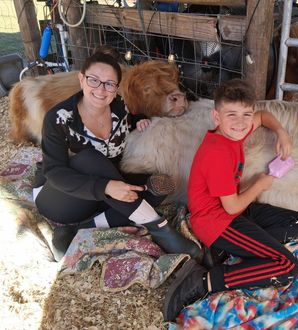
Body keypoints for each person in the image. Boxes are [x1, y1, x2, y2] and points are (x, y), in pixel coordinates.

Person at [32, 47, 201, 261]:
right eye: (94, 80)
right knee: (90, 158)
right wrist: (107, 187)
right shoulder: (58, 118)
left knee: (160, 186)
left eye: (109, 84)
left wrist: (138, 118)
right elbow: (55, 172)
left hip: (101, 192)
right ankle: (161, 228)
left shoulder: (119, 107)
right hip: (60, 198)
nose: (101, 90)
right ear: (81, 79)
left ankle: (79, 229)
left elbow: (127, 121)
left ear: (116, 88)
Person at [162, 79, 298, 321]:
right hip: (217, 221)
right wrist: (260, 184)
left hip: (235, 211)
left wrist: (282, 132)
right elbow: (232, 206)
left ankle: (232, 250)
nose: (241, 122)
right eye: (232, 114)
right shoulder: (217, 154)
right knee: (286, 267)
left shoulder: (234, 131)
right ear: (216, 117)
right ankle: (204, 281)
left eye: (245, 114)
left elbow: (262, 116)